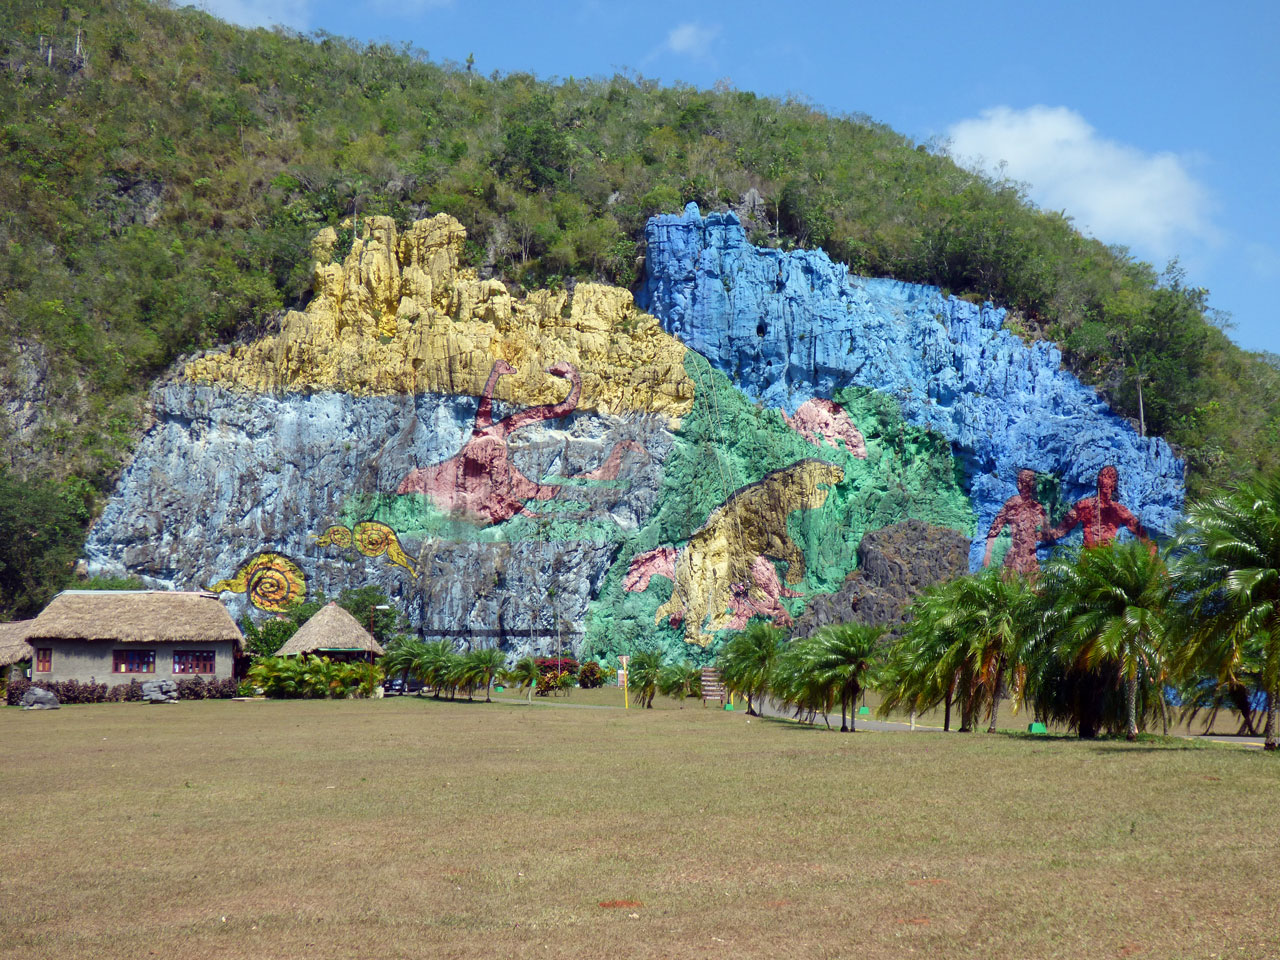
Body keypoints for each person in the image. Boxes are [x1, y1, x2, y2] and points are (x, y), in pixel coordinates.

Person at [1049, 465, 1154, 553]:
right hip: (1088, 558)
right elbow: (1063, 527)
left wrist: (1150, 545)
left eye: (1109, 477)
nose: (1105, 481)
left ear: (1114, 485)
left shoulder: (1118, 509)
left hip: (1106, 559)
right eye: (1103, 476)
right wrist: (1047, 535)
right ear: (1098, 480)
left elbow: (1137, 528)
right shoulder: (1085, 505)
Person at [983, 468, 1050, 575]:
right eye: (1019, 482)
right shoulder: (1013, 503)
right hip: (1014, 556)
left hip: (1030, 558)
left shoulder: (1038, 508)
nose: (1019, 485)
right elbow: (995, 529)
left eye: (1021, 482)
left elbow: (1045, 535)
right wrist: (988, 553)